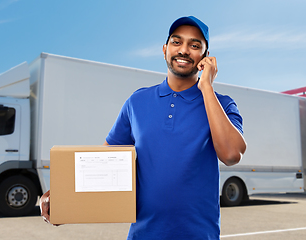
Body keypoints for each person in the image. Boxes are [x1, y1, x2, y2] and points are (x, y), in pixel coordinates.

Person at [41, 16, 246, 240]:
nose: (184, 50)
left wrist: (206, 86)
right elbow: (104, 161)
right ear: (165, 49)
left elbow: (231, 154)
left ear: (206, 58)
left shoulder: (222, 104)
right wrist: (64, 198)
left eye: (195, 45)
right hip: (143, 235)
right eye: (177, 42)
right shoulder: (137, 102)